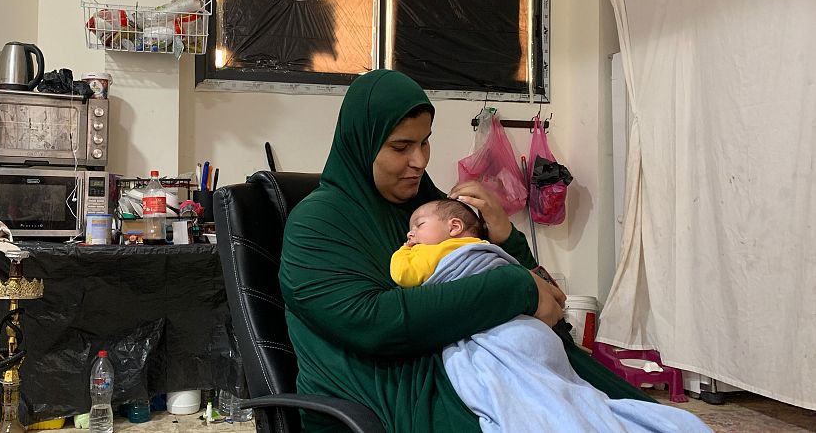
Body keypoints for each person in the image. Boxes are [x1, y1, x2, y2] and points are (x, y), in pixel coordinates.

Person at [279, 69, 656, 433]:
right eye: (400, 146)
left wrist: (506, 236)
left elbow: (544, 302)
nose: (420, 160)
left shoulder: (430, 209)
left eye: (425, 141)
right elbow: (376, 323)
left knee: (632, 410)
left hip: (474, 364)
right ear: (361, 143)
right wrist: (515, 288)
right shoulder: (317, 224)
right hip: (395, 392)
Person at [390, 199, 713, 432]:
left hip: (501, 331)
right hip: (530, 329)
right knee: (567, 389)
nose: (411, 234)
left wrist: (405, 250)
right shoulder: (487, 249)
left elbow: (403, 274)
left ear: (454, 227)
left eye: (417, 226)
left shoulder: (432, 252)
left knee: (524, 391)